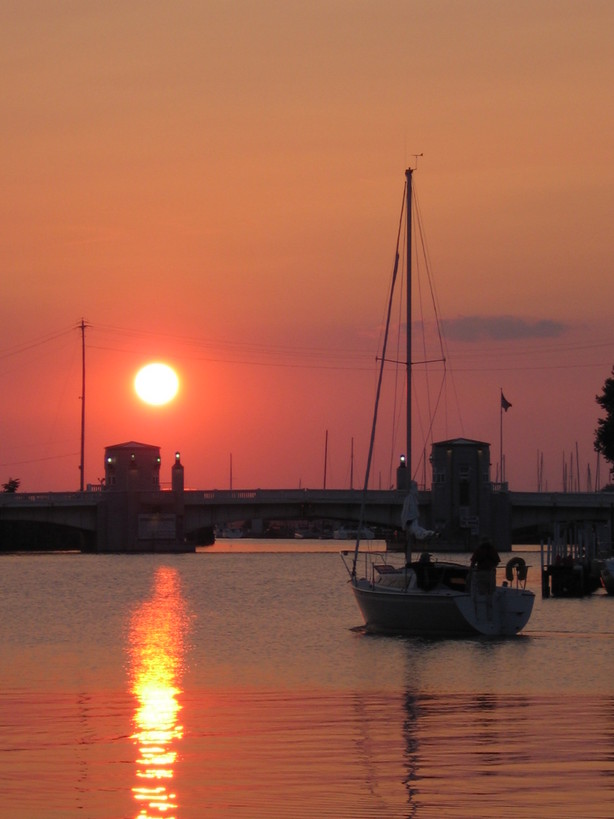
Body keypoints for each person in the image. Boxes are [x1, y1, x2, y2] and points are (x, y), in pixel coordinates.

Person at [470, 539, 500, 604]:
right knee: (491, 590)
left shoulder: (478, 550)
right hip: (491, 573)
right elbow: (497, 561)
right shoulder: (492, 550)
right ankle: (491, 603)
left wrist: (470, 572)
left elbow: (473, 562)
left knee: (482, 590)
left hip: (481, 572)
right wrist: (492, 567)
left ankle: (483, 603)